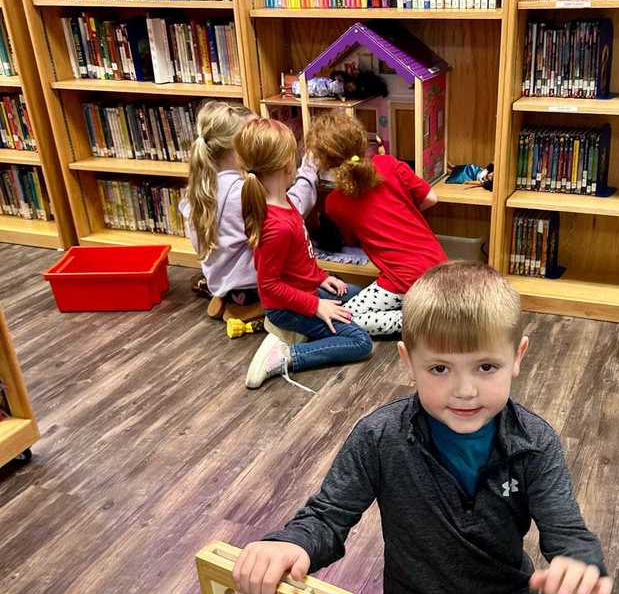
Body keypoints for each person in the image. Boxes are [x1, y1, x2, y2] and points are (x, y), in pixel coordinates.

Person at [232, 261, 612, 594]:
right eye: (439, 369)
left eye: (486, 367)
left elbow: (569, 536)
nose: (464, 390)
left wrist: (581, 574)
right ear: (408, 362)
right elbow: (326, 517)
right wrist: (289, 542)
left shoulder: (535, 444)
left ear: (518, 358)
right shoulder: (378, 437)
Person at [236, 118, 373, 391]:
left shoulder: (284, 200)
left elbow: (299, 258)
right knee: (360, 342)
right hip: (287, 309)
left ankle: (303, 333)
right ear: (287, 166)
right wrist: (316, 306)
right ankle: (286, 356)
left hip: (308, 290)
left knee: (358, 295)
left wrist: (321, 277)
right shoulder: (275, 226)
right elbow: (269, 287)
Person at [305, 112, 448, 337]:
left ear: (323, 161)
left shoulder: (335, 202)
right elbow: (431, 198)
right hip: (438, 266)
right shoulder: (388, 163)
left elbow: (351, 239)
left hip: (403, 279)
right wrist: (404, 211)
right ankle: (424, 309)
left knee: (343, 319)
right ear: (361, 139)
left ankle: (420, 320)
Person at [179, 101, 318, 309]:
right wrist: (308, 171)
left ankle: (226, 298)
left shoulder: (201, 187)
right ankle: (247, 307)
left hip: (223, 280)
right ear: (239, 150)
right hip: (252, 287)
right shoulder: (241, 192)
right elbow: (293, 209)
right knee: (315, 281)